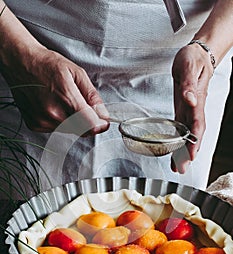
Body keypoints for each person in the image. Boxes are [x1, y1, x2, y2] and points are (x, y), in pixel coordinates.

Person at [0, 0, 233, 195]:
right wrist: (18, 53)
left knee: (169, 228)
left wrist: (208, 49)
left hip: (190, 47)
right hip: (28, 37)